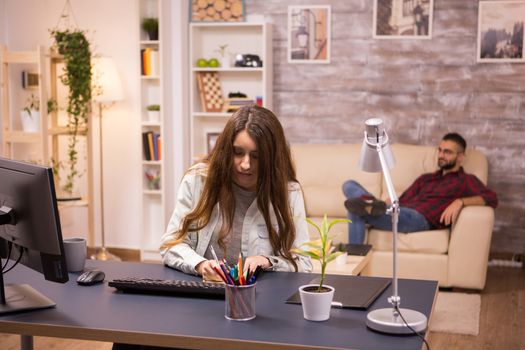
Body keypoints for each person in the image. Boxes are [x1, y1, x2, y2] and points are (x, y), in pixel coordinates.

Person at [160, 105, 312, 281]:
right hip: (206, 295)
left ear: (271, 158)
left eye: (256, 156)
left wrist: (268, 262)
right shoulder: (198, 181)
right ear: (226, 151)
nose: (246, 164)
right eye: (238, 153)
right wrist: (201, 265)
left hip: (263, 300)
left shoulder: (289, 193)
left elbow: (304, 263)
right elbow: (171, 245)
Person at [343, 132, 498, 244]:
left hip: (420, 219)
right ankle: (373, 206)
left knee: (355, 206)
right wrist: (390, 202)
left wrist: (461, 202)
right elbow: (402, 200)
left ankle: (369, 207)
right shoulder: (426, 178)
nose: (441, 155)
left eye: (448, 152)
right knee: (349, 186)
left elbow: (491, 198)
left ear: (461, 156)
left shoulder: (465, 181)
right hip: (400, 211)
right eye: (440, 150)